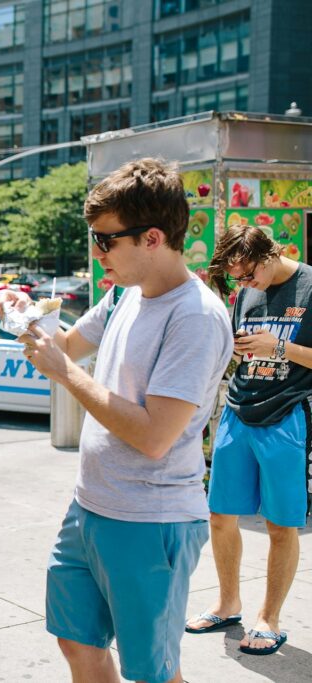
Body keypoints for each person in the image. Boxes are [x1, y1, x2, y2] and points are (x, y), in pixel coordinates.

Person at [0, 158, 232, 683]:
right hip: (90, 505)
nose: (96, 252)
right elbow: (63, 347)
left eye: (106, 241)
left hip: (153, 520)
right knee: (76, 641)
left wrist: (66, 374)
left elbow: (155, 436)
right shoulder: (124, 293)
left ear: (151, 238)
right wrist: (24, 317)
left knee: (151, 672)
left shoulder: (194, 316)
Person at [184, 224, 311, 655]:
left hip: (288, 416)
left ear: (269, 252)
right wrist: (239, 350)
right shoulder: (246, 292)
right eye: (237, 278)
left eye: (248, 273)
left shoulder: (309, 285)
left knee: (281, 524)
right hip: (240, 410)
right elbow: (247, 344)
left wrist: (278, 348)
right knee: (220, 515)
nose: (245, 283)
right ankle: (228, 603)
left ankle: (269, 620)